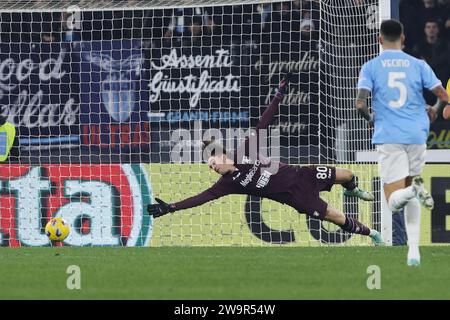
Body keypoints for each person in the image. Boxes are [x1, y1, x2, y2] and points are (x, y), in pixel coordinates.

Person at [148, 75, 383, 245]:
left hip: (304, 174)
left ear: (223, 155)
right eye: (210, 167)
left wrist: (279, 95)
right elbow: (200, 198)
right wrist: (171, 207)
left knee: (348, 175)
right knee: (337, 217)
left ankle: (351, 190)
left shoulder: (243, 152)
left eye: (213, 162)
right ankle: (373, 235)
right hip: (297, 198)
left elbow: (264, 123)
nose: (213, 167)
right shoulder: (227, 185)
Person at [355, 19, 449, 266]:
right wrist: (435, 111)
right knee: (411, 188)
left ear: (380, 40)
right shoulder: (418, 64)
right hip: (417, 133)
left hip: (389, 135)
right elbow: (443, 95)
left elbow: (360, 104)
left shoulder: (371, 66)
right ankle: (413, 252)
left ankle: (413, 191)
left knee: (394, 200)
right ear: (403, 39)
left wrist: (371, 118)